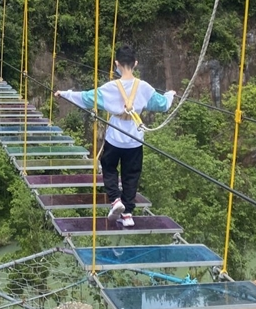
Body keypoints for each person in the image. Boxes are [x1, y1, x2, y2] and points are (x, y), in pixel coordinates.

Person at [55, 45, 175, 227]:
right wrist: (170, 94)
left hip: (115, 138)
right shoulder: (144, 88)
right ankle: (127, 214)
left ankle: (115, 200)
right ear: (135, 63)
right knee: (131, 175)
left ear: (117, 64)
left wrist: (65, 94)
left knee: (109, 167)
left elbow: (86, 98)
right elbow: (163, 105)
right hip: (135, 140)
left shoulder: (110, 88)